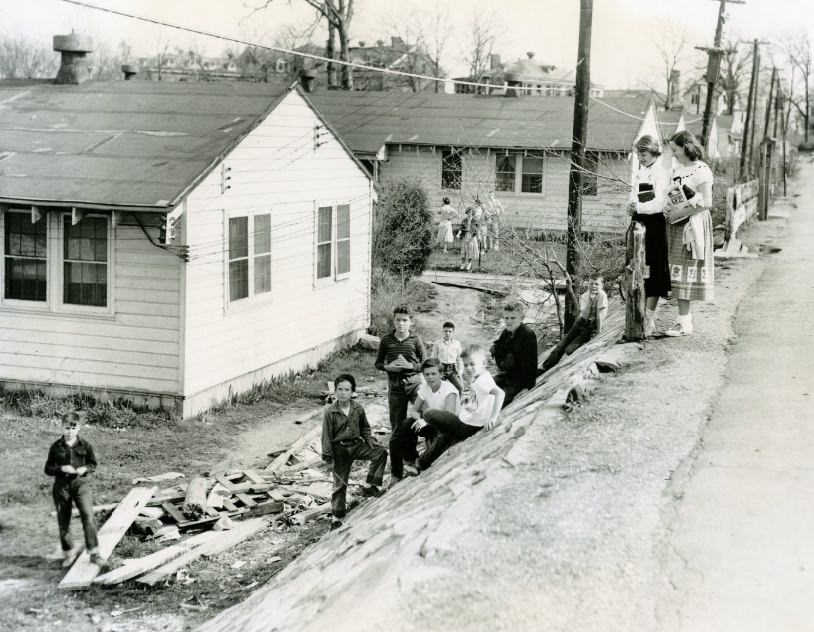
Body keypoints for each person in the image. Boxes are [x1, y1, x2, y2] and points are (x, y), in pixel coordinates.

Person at [411, 346, 504, 470]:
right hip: (468, 420)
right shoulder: (481, 377)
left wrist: (493, 417)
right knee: (444, 436)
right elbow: (481, 399)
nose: (468, 368)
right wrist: (469, 404)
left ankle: (420, 462)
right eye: (465, 365)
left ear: (483, 363)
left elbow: (500, 393)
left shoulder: (482, 381)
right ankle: (420, 464)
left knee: (428, 414)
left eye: (472, 364)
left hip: (468, 426)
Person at [663, 130, 715, 336]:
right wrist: (668, 209)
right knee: (676, 270)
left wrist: (678, 213)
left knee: (684, 271)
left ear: (686, 146)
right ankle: (684, 318)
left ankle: (684, 323)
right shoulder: (677, 169)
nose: (673, 153)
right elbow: (672, 195)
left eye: (675, 149)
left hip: (692, 226)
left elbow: (707, 202)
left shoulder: (701, 170)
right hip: (676, 223)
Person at [321, 374, 388, 531]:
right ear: (335, 392)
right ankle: (337, 517)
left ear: (352, 392)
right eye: (340, 390)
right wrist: (328, 458)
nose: (343, 393)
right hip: (340, 450)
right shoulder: (330, 412)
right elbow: (326, 437)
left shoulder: (358, 408)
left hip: (357, 444)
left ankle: (370, 485)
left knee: (381, 453)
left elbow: (364, 427)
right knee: (340, 485)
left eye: (347, 390)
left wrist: (369, 439)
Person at [374, 304, 426, 484]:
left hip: (414, 385)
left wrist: (409, 366)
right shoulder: (386, 340)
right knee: (397, 429)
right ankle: (396, 473)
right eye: (398, 320)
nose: (401, 324)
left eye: (405, 320)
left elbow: (426, 365)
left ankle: (419, 459)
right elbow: (378, 363)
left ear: (411, 322)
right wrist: (388, 367)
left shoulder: (416, 340)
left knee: (424, 416)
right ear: (393, 321)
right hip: (395, 388)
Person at [44, 413, 104, 567]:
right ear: (61, 427)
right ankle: (69, 554)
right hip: (62, 487)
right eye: (67, 428)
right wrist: (61, 468)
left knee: (88, 517)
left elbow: (93, 464)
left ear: (78, 428)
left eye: (73, 428)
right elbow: (48, 469)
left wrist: (85, 468)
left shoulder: (85, 445)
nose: (70, 431)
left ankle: (94, 553)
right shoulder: (56, 447)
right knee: (64, 521)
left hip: (81, 485)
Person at [628, 134, 671, 336]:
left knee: (653, 271)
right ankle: (638, 314)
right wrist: (631, 206)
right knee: (637, 267)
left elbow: (659, 204)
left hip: (654, 224)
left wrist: (638, 206)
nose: (640, 157)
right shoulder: (640, 172)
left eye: (643, 153)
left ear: (653, 151)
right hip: (639, 223)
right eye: (638, 153)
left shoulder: (661, 173)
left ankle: (649, 317)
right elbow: (635, 195)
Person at [541, 276, 609, 372]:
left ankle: (565, 365)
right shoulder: (585, 295)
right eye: (591, 284)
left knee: (569, 349)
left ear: (601, 285)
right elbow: (584, 316)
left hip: (591, 327)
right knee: (561, 345)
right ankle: (545, 367)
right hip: (581, 322)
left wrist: (598, 332)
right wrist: (590, 301)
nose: (593, 286)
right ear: (588, 284)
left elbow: (599, 316)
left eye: (596, 284)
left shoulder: (602, 295)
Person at [408, 358, 461, 466]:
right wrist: (420, 420)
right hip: (434, 422)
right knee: (407, 425)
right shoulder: (424, 388)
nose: (430, 377)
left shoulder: (449, 390)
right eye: (427, 374)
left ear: (441, 374)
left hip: (450, 425)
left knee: (442, 436)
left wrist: (427, 420)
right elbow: (413, 411)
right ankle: (409, 459)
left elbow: (448, 417)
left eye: (433, 374)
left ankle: (419, 464)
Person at [490, 301, 539, 407]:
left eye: (513, 318)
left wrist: (525, 387)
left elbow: (530, 367)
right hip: (508, 375)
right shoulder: (506, 333)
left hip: (520, 381)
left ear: (521, 318)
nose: (509, 321)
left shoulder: (527, 335)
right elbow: (500, 361)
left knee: (495, 403)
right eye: (506, 318)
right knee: (485, 385)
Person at [430, 321, 464, 393]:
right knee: (438, 390)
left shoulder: (457, 343)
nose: (447, 333)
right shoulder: (437, 343)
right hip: (441, 369)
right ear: (442, 331)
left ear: (453, 332)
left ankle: (457, 404)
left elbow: (459, 359)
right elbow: (433, 358)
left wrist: (460, 372)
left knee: (460, 388)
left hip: (452, 370)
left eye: (450, 331)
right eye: (445, 331)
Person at [457, 207, 480, 272]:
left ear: (473, 213)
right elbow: (461, 228)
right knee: (464, 250)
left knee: (470, 250)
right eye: (469, 212)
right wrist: (458, 234)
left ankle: (469, 264)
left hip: (472, 236)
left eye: (471, 212)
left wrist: (478, 236)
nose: (470, 213)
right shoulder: (465, 220)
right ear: (467, 213)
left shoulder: (475, 220)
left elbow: (477, 229)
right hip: (466, 235)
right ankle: (463, 263)